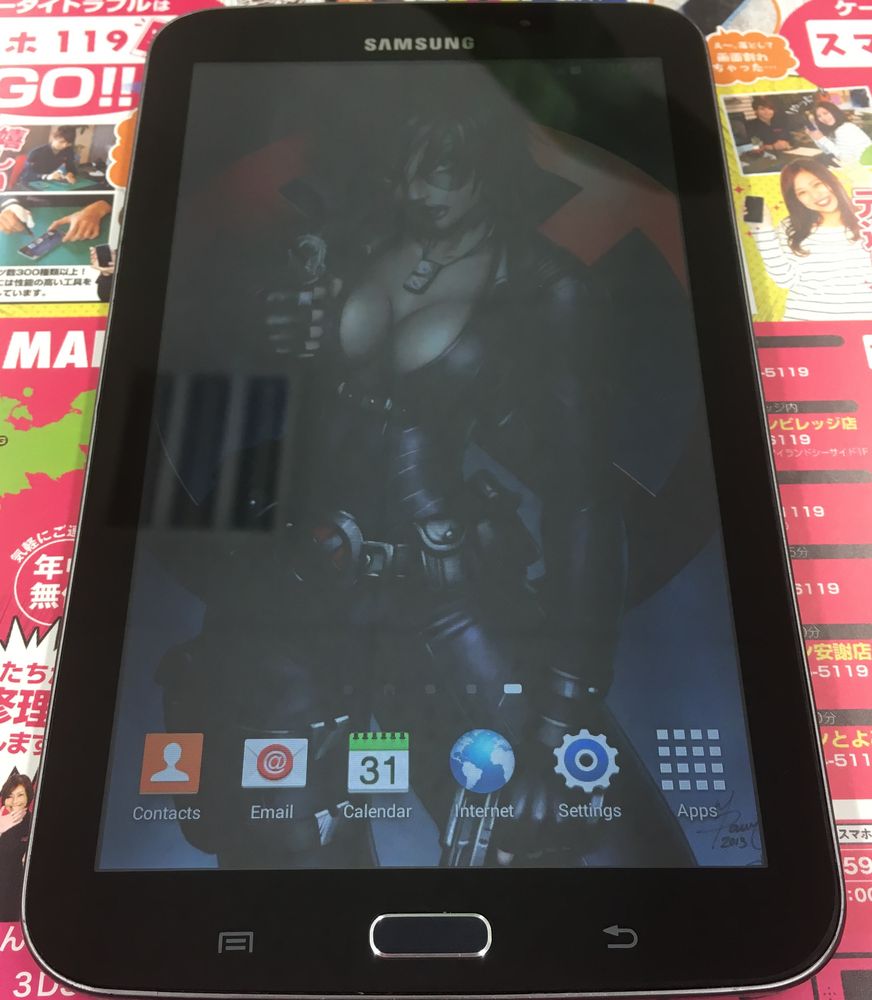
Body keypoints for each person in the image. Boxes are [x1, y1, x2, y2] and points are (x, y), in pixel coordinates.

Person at [158, 86, 696, 871]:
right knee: (279, 855)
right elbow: (242, 360)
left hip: (441, 592)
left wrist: (565, 705)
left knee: (564, 838)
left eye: (446, 169)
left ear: (490, 167)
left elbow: (581, 498)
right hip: (300, 579)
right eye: (409, 168)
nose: (421, 190)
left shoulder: (548, 285)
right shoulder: (349, 242)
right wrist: (279, 331)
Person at [748, 159, 872, 320]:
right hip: (805, 322)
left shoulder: (866, 218)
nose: (815, 196)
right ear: (796, 199)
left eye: (817, 184)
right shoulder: (791, 227)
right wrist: (763, 230)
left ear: (831, 180)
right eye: (802, 193)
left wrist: (865, 183)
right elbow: (785, 280)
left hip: (862, 325)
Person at [0, 197, 111, 241]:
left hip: (85, 202)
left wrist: (100, 207)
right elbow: (12, 185)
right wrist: (10, 205)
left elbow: (115, 189)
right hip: (33, 202)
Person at [0, 774, 33, 922]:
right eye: (10, 796)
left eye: (20, 795)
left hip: (13, 889)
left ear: (28, 797)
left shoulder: (32, 822)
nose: (14, 801)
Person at [806, 101, 872, 167]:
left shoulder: (844, 129)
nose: (823, 118)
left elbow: (845, 159)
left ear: (834, 111)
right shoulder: (836, 129)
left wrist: (822, 139)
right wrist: (816, 137)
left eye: (826, 113)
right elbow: (827, 151)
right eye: (819, 116)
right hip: (859, 166)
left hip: (865, 168)